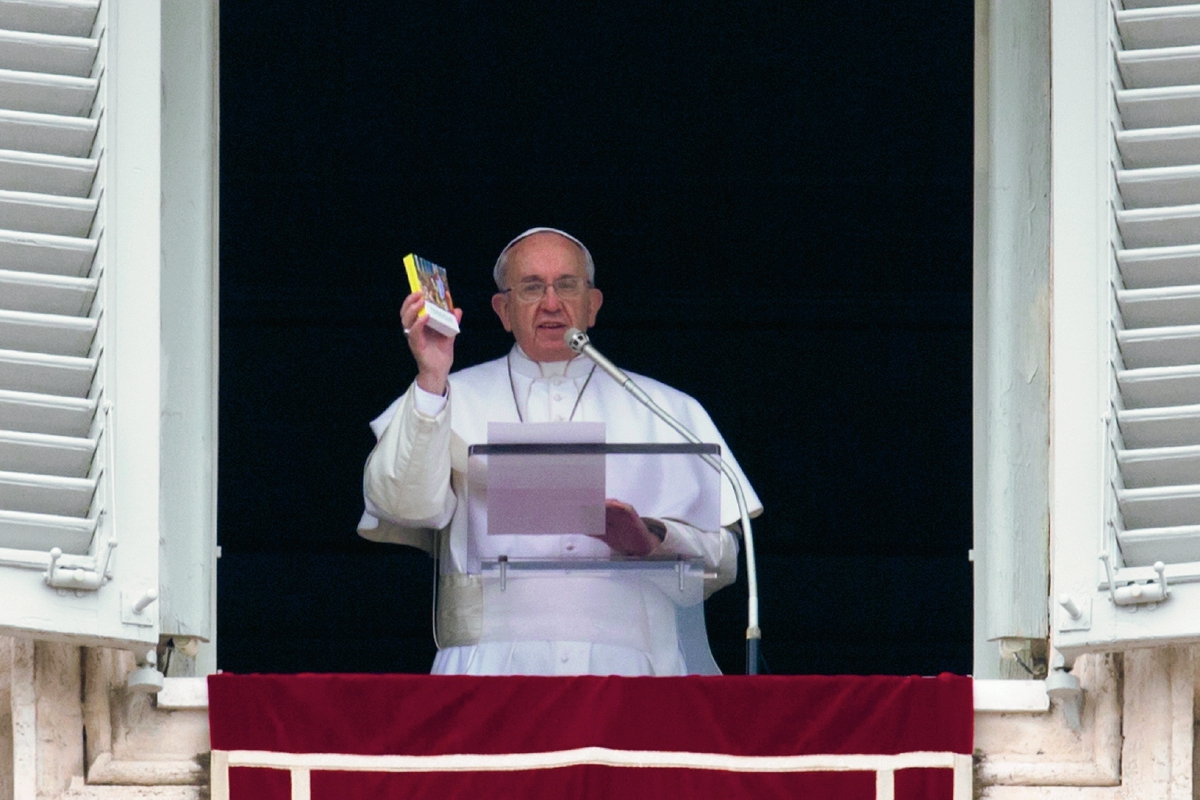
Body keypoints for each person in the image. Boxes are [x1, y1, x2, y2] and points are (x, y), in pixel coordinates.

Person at [359, 227, 762, 676]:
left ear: (593, 305)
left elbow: (724, 561)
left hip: (633, 676)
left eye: (567, 285)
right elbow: (403, 506)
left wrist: (650, 539)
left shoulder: (667, 408)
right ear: (503, 310)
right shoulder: (452, 398)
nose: (552, 303)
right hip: (487, 672)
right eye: (532, 287)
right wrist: (432, 378)